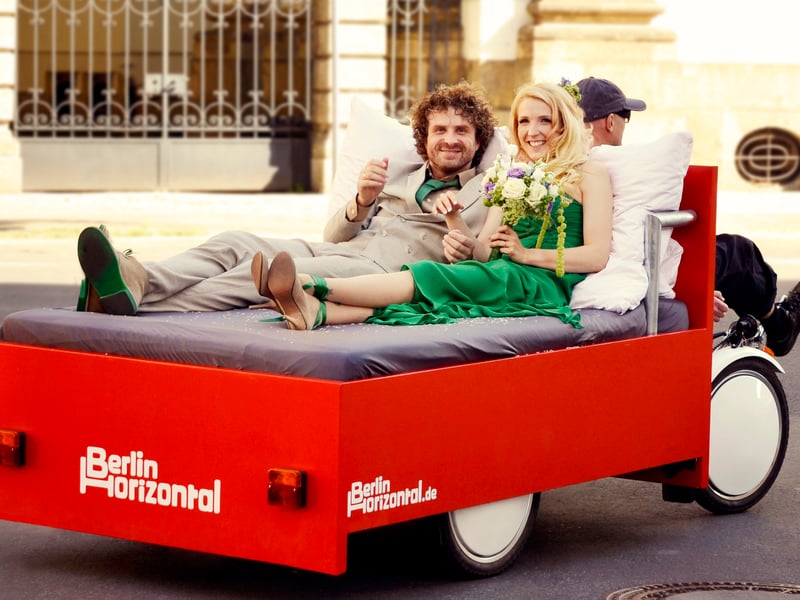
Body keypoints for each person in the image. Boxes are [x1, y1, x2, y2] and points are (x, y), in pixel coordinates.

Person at [75, 81, 498, 315]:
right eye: (440, 130)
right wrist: (362, 200)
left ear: (478, 140)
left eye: (462, 131)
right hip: (345, 247)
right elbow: (332, 233)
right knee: (233, 241)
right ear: (424, 139)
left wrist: (456, 231)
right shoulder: (399, 173)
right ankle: (140, 279)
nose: (450, 139)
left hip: (378, 270)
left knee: (261, 272)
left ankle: (133, 302)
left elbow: (479, 263)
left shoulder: (490, 193)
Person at [253, 82, 613, 330]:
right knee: (437, 295)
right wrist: (455, 220)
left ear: (563, 124)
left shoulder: (588, 174)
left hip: (541, 281)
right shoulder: (511, 177)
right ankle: (318, 313)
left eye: (544, 120)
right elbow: (483, 254)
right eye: (524, 121)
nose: (533, 131)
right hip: (500, 272)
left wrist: (525, 256)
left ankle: (309, 284)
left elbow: (596, 256)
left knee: (431, 276)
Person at [577, 76, 800, 356]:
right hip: (635, 269)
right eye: (626, 116)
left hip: (614, 264)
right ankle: (779, 324)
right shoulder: (620, 164)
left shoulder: (560, 162)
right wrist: (698, 287)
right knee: (738, 251)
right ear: (611, 121)